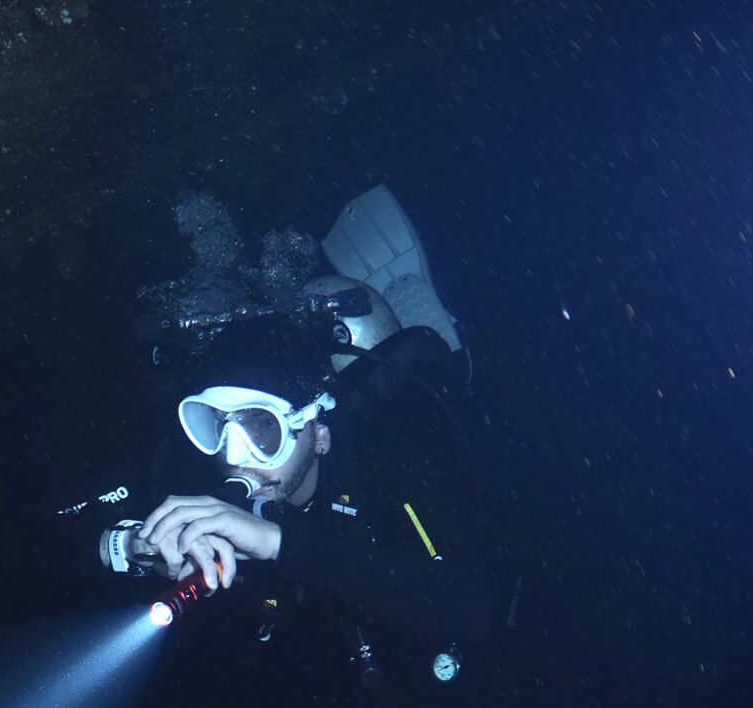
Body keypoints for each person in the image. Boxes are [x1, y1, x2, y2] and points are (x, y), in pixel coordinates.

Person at [76, 186, 496, 660]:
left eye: (262, 428)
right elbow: (54, 533)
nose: (234, 455)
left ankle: (427, 340)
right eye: (217, 425)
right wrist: (134, 545)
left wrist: (278, 543)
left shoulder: (386, 453)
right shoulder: (190, 472)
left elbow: (469, 610)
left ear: (319, 434)